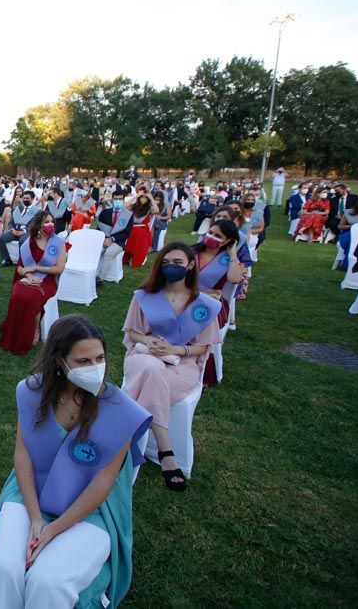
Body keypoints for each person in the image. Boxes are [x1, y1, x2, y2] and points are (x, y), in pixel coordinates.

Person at [0, 315, 152, 609]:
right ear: (59, 362)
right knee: (5, 566)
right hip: (30, 492)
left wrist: (54, 528)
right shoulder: (31, 393)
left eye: (100, 358)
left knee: (48, 581)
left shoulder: (120, 411)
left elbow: (103, 482)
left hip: (91, 508)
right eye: (83, 361)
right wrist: (36, 518)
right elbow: (23, 455)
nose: (96, 369)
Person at [122, 243, 221, 491]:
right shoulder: (145, 296)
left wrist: (175, 350)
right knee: (152, 369)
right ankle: (167, 451)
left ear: (189, 265)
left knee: (153, 376)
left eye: (178, 263)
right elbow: (132, 332)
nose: (171, 267)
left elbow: (203, 346)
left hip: (183, 364)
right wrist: (148, 340)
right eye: (166, 262)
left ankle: (123, 441)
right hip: (144, 356)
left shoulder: (202, 304)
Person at [0, 212, 67, 354]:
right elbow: (20, 267)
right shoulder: (29, 242)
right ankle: (15, 329)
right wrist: (29, 275)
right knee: (18, 293)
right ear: (38, 225)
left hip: (48, 281)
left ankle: (34, 330)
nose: (50, 224)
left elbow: (59, 269)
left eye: (51, 221)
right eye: (46, 221)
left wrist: (36, 268)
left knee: (32, 296)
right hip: (27, 278)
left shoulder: (59, 243)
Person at [96, 190, 133, 280]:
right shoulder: (105, 212)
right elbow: (99, 228)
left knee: (109, 253)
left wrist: (112, 239)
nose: (118, 201)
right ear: (112, 200)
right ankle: (92, 272)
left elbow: (127, 232)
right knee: (97, 251)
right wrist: (103, 239)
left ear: (123, 200)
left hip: (118, 241)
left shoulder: (128, 215)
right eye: (116, 199)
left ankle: (100, 278)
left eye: (120, 199)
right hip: (104, 239)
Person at [0, 190, 39, 267]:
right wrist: (12, 230)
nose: (25, 200)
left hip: (26, 232)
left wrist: (23, 231)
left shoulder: (36, 211)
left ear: (32, 199)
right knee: (1, 238)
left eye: (27, 198)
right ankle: (7, 259)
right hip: (15, 231)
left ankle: (22, 262)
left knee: (23, 241)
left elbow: (33, 225)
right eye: (24, 198)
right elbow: (11, 222)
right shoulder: (18, 208)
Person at [122, 192, 155, 268]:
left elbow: (156, 211)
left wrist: (151, 198)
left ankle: (134, 258)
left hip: (141, 229)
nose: (143, 199)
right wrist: (136, 196)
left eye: (145, 198)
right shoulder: (134, 206)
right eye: (142, 197)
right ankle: (128, 256)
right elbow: (124, 206)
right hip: (132, 227)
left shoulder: (149, 208)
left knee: (138, 232)